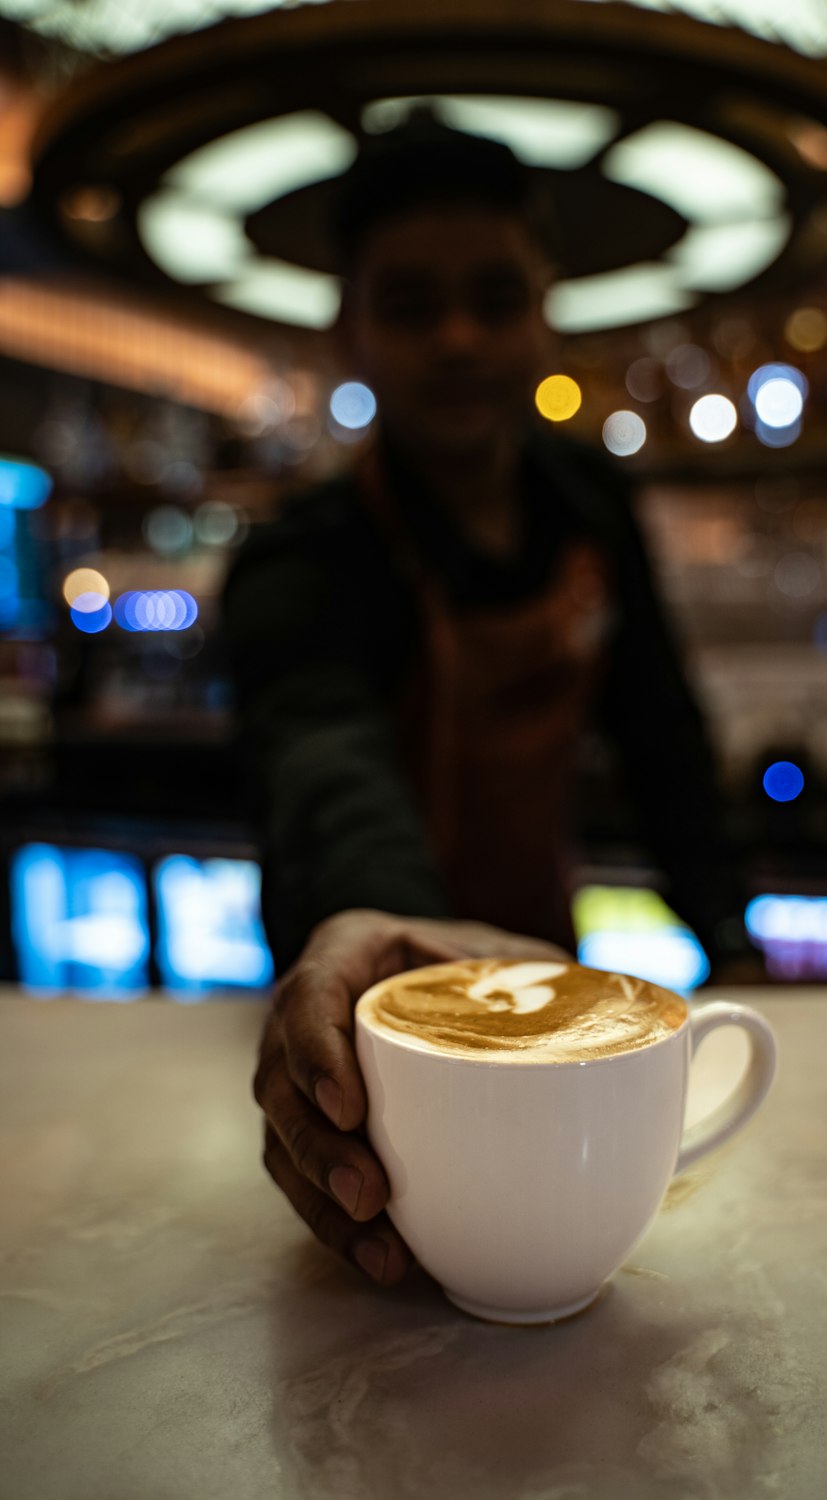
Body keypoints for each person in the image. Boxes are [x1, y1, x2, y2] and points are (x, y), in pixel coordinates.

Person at [223, 115, 747, 1288]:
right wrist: (381, 954)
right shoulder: (302, 559)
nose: (458, 338)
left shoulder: (592, 509)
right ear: (347, 329)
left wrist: (733, 938)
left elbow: (663, 738)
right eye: (410, 306)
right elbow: (324, 766)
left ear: (543, 309)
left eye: (494, 297)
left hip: (545, 975)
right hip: (359, 997)